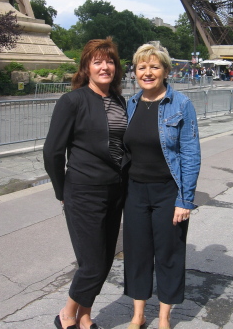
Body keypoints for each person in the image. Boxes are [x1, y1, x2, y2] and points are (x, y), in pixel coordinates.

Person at [43, 38, 127, 329]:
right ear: (86, 68)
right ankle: (66, 314)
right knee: (90, 263)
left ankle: (85, 316)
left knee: (104, 260)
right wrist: (61, 191)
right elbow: (53, 151)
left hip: (115, 190)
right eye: (98, 61)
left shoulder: (119, 101)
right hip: (83, 191)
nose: (105, 66)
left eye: (110, 61)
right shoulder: (73, 101)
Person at [123, 42, 201, 329]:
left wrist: (185, 199)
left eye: (154, 66)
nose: (147, 72)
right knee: (137, 253)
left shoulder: (181, 104)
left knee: (169, 254)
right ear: (135, 72)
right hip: (134, 191)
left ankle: (165, 317)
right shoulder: (131, 104)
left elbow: (191, 153)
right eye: (142, 67)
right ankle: (138, 314)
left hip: (169, 191)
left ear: (166, 71)